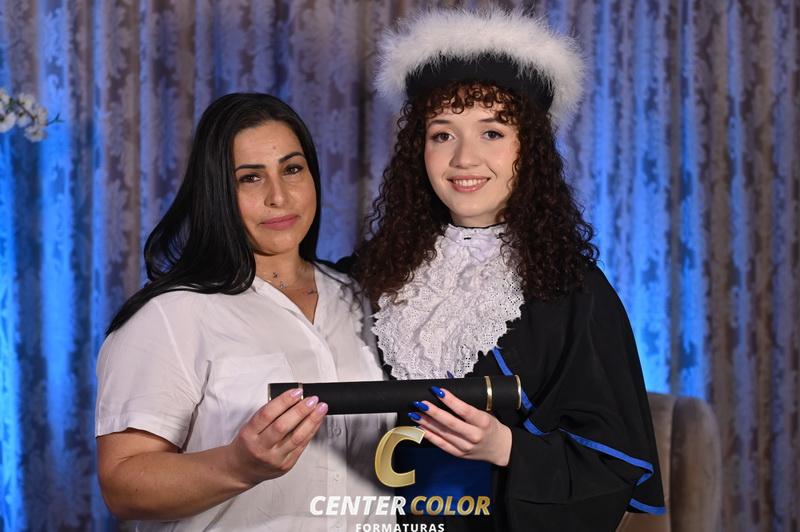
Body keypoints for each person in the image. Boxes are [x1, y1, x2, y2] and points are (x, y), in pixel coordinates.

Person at [352, 8, 665, 531]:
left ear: (530, 149)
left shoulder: (573, 291)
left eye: (492, 133)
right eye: (442, 134)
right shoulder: (373, 272)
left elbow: (613, 469)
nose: (464, 158)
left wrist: (507, 447)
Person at [95, 93, 393, 531]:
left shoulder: (363, 299)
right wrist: (237, 465)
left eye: (292, 169)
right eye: (250, 178)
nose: (279, 196)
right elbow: (122, 485)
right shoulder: (170, 316)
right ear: (217, 192)